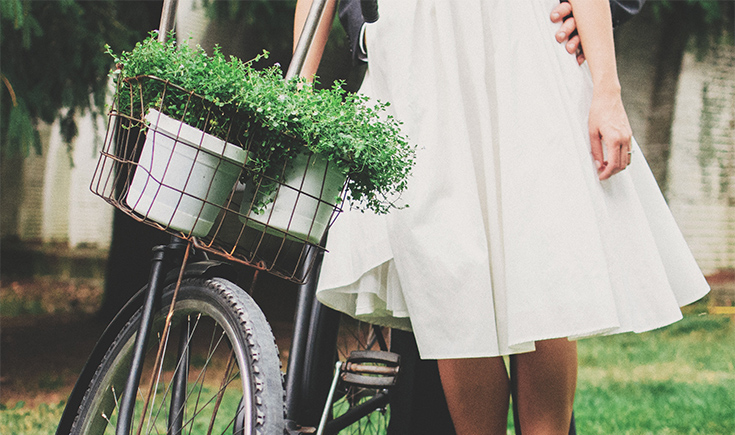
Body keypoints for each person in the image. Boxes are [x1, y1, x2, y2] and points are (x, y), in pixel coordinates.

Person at [294, 1, 710, 434]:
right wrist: (299, 88)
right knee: (449, 280)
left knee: (538, 266)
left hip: (521, 49)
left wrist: (608, 91)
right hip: (416, 62)